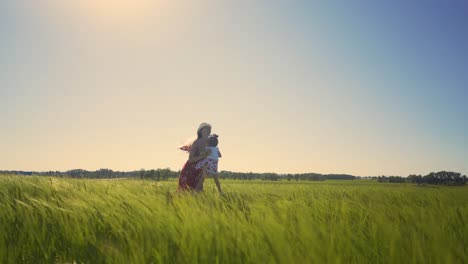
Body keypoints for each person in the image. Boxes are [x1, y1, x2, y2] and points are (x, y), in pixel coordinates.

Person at [177, 123, 212, 191]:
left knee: (198, 193)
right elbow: (190, 160)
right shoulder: (196, 143)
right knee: (186, 192)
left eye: (209, 130)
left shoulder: (209, 143)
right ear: (201, 131)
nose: (208, 131)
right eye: (206, 129)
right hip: (190, 171)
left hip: (201, 170)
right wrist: (203, 156)